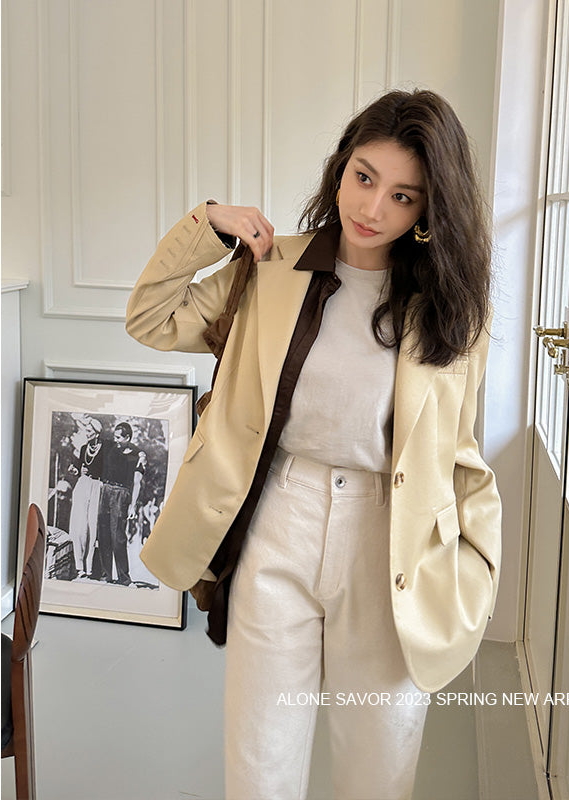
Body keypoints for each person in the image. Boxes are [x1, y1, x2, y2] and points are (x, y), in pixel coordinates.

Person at [127, 89, 502, 800]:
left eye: (403, 196)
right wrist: (209, 223)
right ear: (341, 167)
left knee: (379, 769)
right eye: (364, 177)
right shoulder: (271, 267)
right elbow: (150, 317)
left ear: (428, 211)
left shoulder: (453, 313)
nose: (372, 208)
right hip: (280, 520)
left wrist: (476, 570)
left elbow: (458, 453)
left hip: (391, 542)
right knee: (260, 765)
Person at [96, 421, 146, 586]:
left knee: (118, 537)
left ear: (128, 437)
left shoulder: (137, 455)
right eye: (114, 436)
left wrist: (133, 505)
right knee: (103, 535)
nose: (115, 440)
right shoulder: (111, 447)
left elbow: (137, 483)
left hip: (121, 494)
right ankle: (106, 575)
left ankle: (124, 578)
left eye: (119, 437)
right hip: (106, 491)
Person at [67, 416, 104, 578]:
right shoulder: (83, 449)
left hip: (96, 486)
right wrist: (76, 471)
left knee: (92, 526)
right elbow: (80, 467)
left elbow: (105, 469)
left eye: (89, 431)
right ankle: (79, 567)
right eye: (86, 431)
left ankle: (90, 568)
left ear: (97, 433)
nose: (87, 434)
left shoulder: (105, 449)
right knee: (79, 526)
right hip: (82, 485)